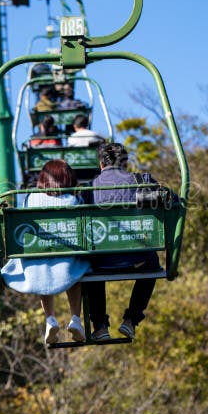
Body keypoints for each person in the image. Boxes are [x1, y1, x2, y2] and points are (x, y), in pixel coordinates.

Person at [0, 160, 89, 344]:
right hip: (67, 263)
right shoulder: (73, 200)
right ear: (67, 178)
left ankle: (50, 318)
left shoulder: (30, 198)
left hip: (36, 263)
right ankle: (75, 318)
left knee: (40, 263)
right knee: (77, 266)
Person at [86, 142, 160, 341]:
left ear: (101, 164)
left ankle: (100, 325)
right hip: (138, 259)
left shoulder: (89, 189)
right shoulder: (141, 180)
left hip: (101, 263)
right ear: (125, 163)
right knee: (152, 262)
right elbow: (173, 202)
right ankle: (131, 320)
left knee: (90, 263)